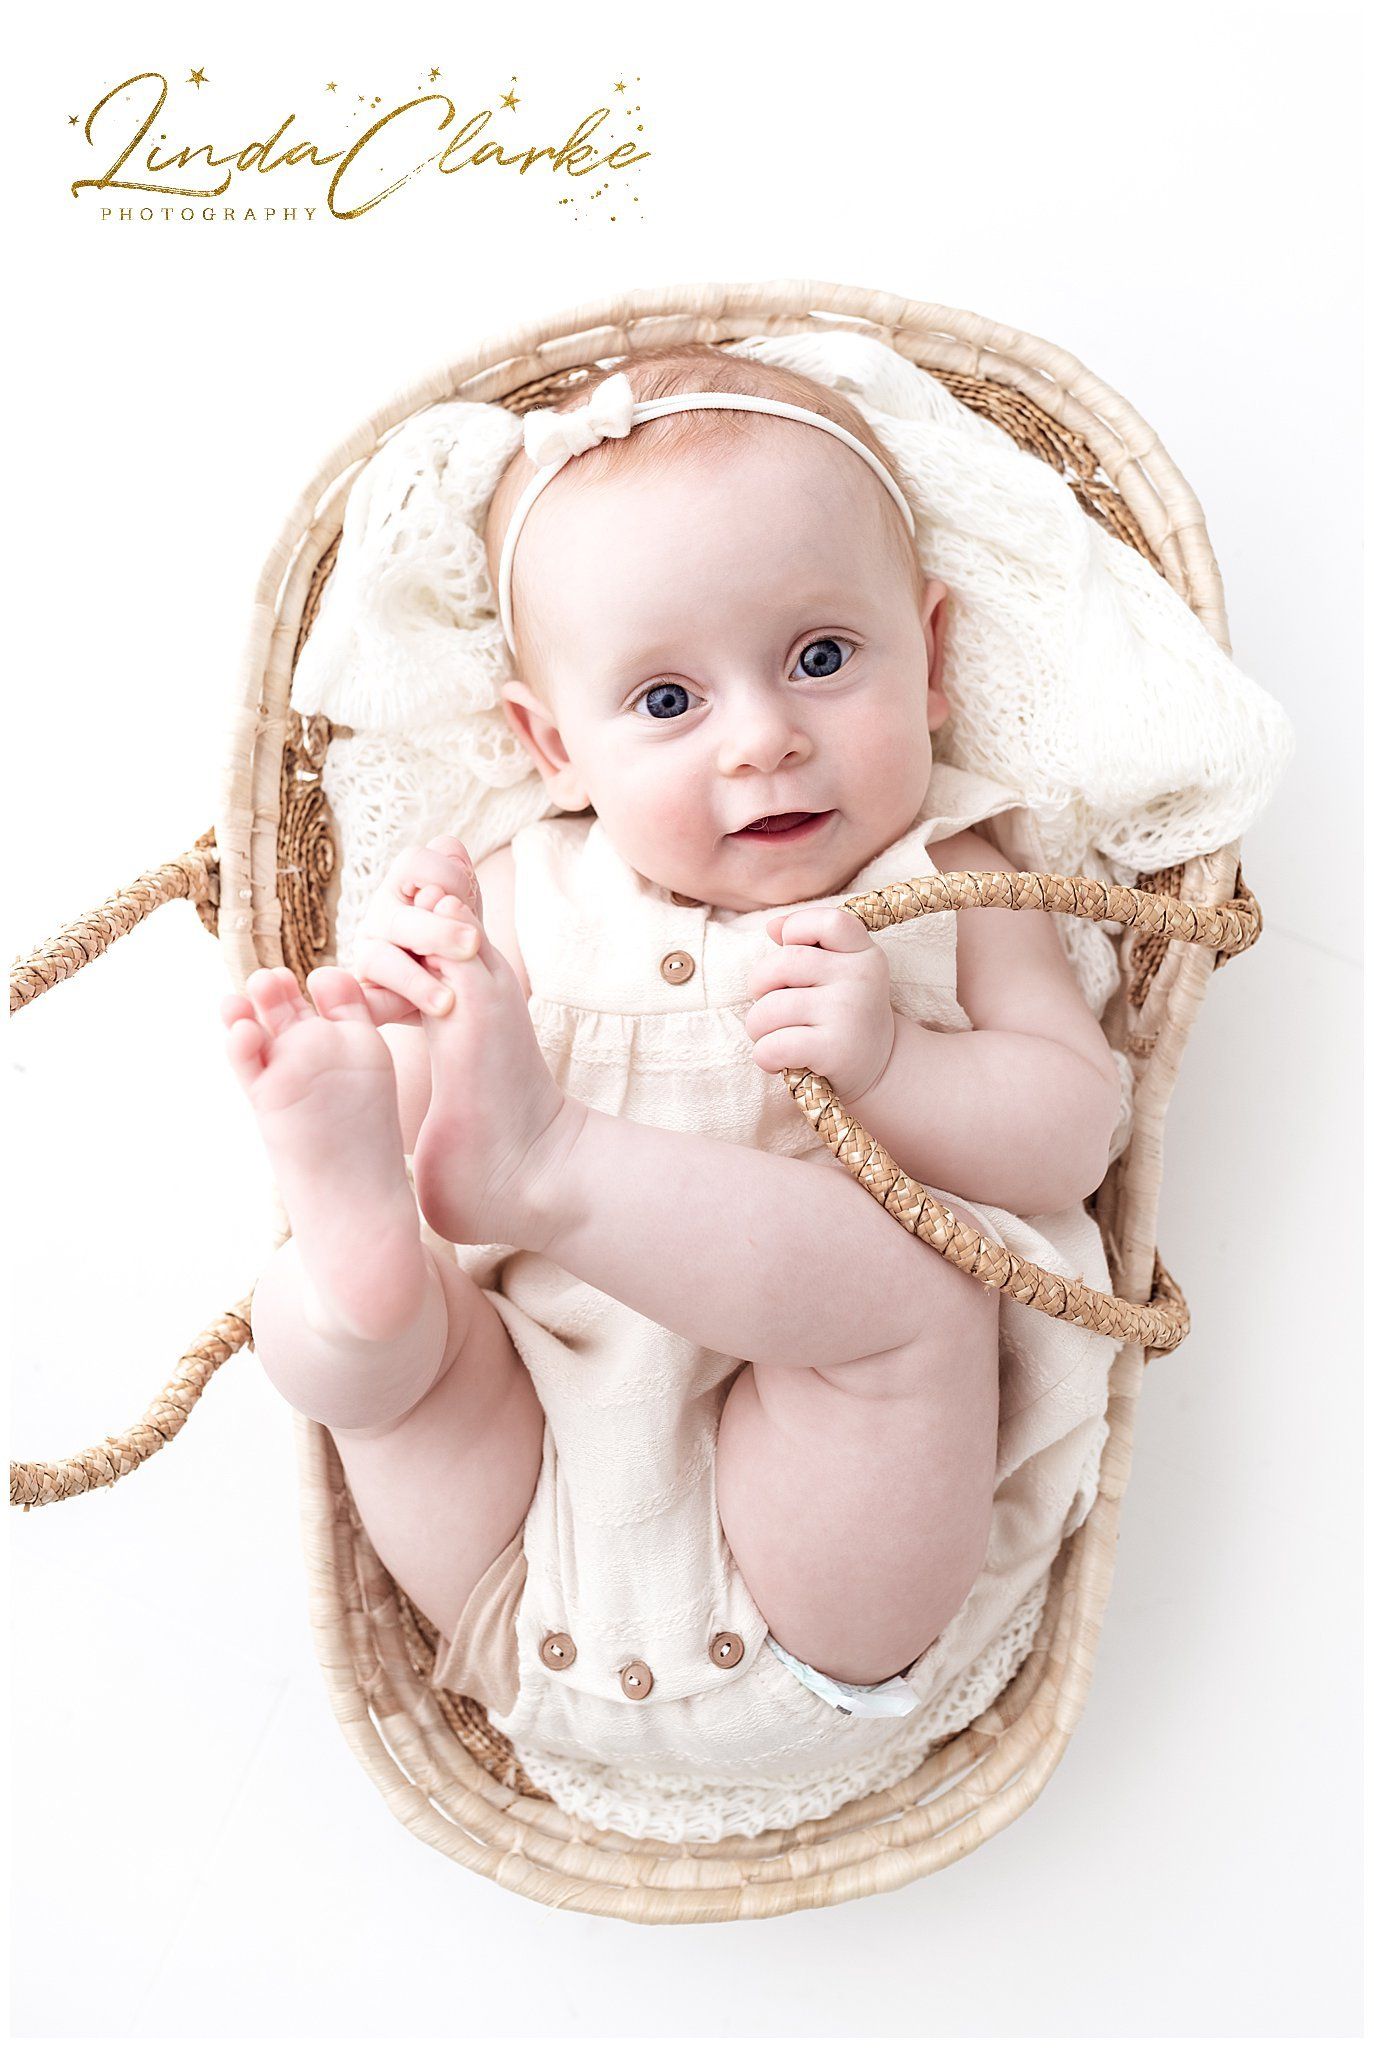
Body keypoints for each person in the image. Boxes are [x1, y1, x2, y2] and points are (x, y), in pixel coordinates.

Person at [221, 345, 1122, 1836]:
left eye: (823, 658)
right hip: (518, 1570)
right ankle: (361, 1291)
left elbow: (1067, 1131)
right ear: (547, 746)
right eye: (664, 698)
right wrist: (389, 1008)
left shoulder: (955, 875)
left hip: (815, 1607)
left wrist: (895, 1062)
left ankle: (532, 1178)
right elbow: (433, 1093)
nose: (762, 736)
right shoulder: (511, 890)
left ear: (933, 652)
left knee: (904, 1306)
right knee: (373, 1342)